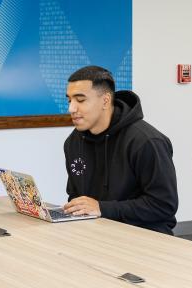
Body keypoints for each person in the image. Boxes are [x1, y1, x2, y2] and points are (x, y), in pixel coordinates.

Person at [62, 65, 178, 234]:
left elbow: (163, 205)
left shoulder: (147, 141)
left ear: (105, 100)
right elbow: (75, 195)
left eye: (80, 100)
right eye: (69, 100)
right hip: (97, 233)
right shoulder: (73, 142)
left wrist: (103, 208)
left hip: (145, 236)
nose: (71, 108)